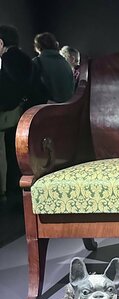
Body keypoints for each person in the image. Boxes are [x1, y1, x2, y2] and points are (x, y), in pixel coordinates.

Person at [0, 25, 32, 198]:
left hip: (7, 111)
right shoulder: (24, 58)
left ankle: (5, 188)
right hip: (20, 110)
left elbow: (9, 87)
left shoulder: (7, 59)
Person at [33, 32, 74, 103]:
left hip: (48, 107)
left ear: (38, 46)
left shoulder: (37, 62)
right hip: (67, 106)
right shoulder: (65, 63)